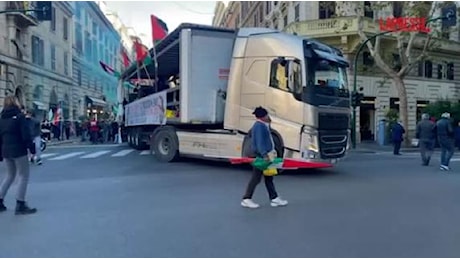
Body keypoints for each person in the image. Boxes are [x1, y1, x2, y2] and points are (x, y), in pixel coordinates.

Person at [241, 106, 288, 209]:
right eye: (267, 115)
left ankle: (274, 198)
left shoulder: (264, 125)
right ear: (263, 116)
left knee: (269, 177)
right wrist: (264, 155)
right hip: (261, 156)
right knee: (256, 177)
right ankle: (246, 198)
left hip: (268, 155)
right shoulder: (259, 126)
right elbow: (260, 142)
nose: (268, 117)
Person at [0, 96, 37, 215]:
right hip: (18, 149)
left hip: (6, 150)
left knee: (9, 175)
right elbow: (26, 134)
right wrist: (32, 149)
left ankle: (0, 200)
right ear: (16, 103)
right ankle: (20, 203)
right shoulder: (20, 117)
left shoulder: (2, 118)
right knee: (23, 175)